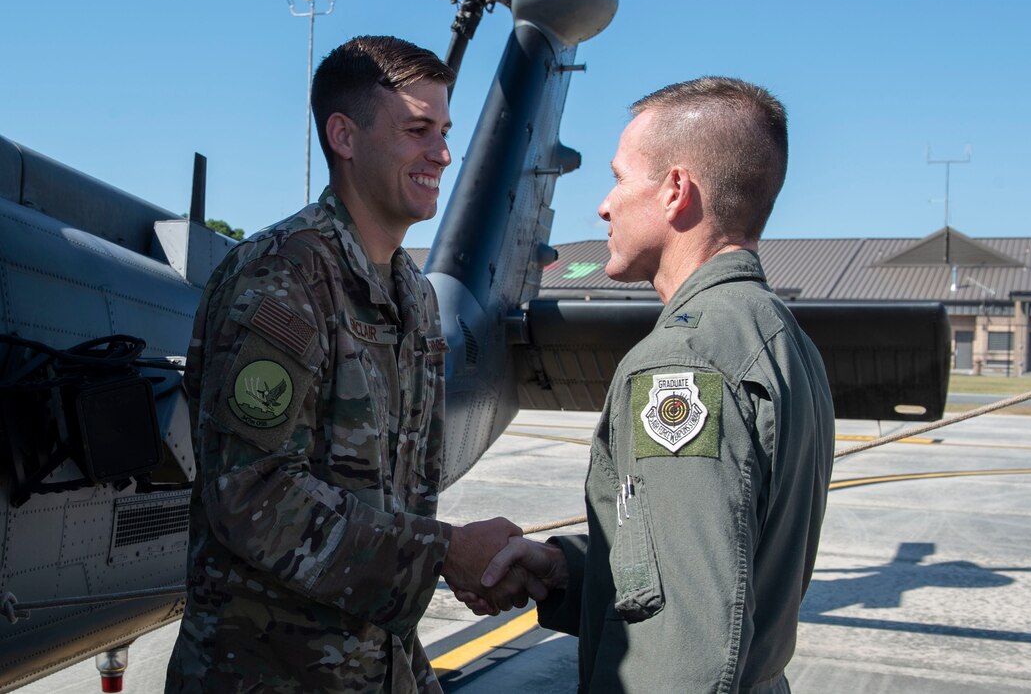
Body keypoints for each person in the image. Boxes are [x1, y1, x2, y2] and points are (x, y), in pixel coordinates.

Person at [166, 35, 537, 693]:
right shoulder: (281, 277)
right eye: (417, 130)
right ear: (344, 135)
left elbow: (400, 500)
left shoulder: (415, 298)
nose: (443, 154)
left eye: (444, 131)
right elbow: (251, 499)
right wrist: (443, 552)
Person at [465, 77, 835, 692]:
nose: (604, 205)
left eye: (618, 178)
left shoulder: (681, 363)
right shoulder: (775, 334)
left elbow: (685, 641)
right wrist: (564, 570)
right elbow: (716, 563)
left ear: (675, 192)